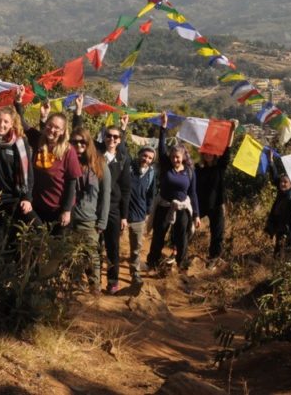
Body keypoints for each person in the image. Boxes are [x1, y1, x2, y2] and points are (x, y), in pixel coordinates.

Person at [73, 94, 131, 294]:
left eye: (116, 137)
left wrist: (124, 215)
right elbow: (80, 138)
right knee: (93, 247)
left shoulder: (123, 159)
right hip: (92, 207)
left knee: (112, 247)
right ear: (103, 138)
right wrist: (78, 112)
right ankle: (91, 281)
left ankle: (113, 281)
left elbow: (126, 189)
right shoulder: (96, 154)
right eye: (109, 136)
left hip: (113, 208)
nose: (112, 139)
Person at [147, 113, 200, 271]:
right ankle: (153, 262)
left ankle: (181, 264)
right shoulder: (166, 167)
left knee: (181, 238)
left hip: (182, 208)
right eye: (172, 157)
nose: (174, 159)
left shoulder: (189, 171)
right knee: (158, 236)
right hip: (164, 206)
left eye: (177, 157)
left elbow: (193, 193)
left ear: (183, 157)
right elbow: (162, 147)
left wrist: (196, 214)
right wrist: (163, 127)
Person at [0, 100, 34, 254]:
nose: (1, 124)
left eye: (6, 121)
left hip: (14, 196)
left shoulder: (20, 142)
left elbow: (29, 172)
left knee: (14, 236)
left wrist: (27, 197)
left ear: (12, 123)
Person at [24, 108, 82, 233]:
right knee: (36, 245)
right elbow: (22, 124)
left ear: (62, 132)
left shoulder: (68, 151)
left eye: (57, 128)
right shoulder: (38, 140)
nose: (52, 129)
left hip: (58, 209)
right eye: (50, 125)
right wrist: (17, 102)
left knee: (55, 248)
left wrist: (66, 210)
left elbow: (72, 183)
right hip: (38, 207)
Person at [69, 127, 110, 292]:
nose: (79, 145)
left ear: (88, 142)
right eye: (74, 141)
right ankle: (76, 285)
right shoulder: (68, 160)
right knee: (73, 255)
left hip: (90, 220)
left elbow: (106, 194)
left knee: (92, 255)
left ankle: (95, 288)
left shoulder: (99, 164)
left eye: (82, 141)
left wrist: (102, 221)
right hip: (70, 218)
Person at [195, 146, 231, 268]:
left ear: (215, 154)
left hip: (216, 205)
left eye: (211, 152)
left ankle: (213, 259)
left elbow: (227, 151)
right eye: (206, 152)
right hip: (200, 204)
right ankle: (177, 252)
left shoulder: (220, 167)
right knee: (185, 224)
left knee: (217, 233)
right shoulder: (198, 169)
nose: (208, 154)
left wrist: (231, 130)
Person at [126, 145, 157, 284]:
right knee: (111, 245)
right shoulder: (128, 167)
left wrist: (147, 211)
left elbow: (151, 194)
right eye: (144, 156)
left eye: (150, 158)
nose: (146, 159)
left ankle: (135, 273)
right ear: (139, 154)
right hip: (122, 214)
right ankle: (111, 276)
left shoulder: (151, 173)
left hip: (139, 215)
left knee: (136, 248)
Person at [264, 158, 291, 260]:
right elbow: (275, 178)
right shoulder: (282, 193)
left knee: (287, 257)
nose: (282, 184)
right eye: (281, 182)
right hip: (279, 230)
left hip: (287, 233)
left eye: (285, 182)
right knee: (277, 255)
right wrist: (270, 162)